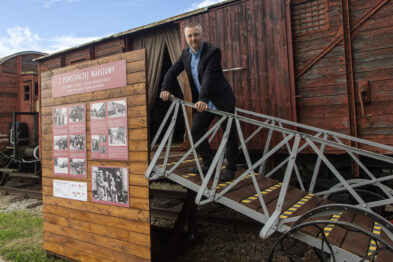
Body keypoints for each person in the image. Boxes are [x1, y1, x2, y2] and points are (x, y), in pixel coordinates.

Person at [160, 22, 238, 181]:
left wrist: (203, 99)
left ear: (202, 35)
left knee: (229, 135)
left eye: (196, 34)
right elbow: (172, 72)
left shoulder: (213, 52)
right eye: (190, 35)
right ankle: (209, 163)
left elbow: (209, 77)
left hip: (221, 100)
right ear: (186, 38)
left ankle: (231, 168)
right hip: (205, 103)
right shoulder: (185, 54)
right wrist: (165, 88)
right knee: (196, 131)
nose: (193, 38)